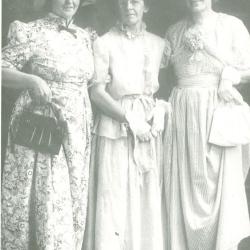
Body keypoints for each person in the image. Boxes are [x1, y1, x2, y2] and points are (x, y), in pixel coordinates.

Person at [1, 0, 96, 249]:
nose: (69, 1)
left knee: (74, 199)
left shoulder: (85, 37)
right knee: (50, 200)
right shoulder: (29, 31)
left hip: (77, 130)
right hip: (43, 126)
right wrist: (31, 79)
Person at [82, 0, 170, 249]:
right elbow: (97, 93)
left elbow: (165, 89)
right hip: (116, 126)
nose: (129, 6)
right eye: (123, 1)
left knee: (146, 196)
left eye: (135, 1)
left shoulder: (160, 43)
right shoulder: (104, 42)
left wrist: (161, 110)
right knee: (114, 195)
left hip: (148, 128)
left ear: (147, 6)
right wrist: (129, 119)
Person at [162, 0, 250, 249]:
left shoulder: (232, 26)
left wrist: (229, 77)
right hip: (182, 115)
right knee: (185, 185)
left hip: (217, 112)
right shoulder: (174, 31)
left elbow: (248, 67)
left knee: (219, 188)